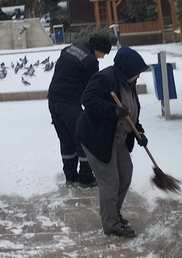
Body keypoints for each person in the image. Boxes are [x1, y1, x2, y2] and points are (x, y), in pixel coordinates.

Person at [75, 46, 149, 239]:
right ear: (127, 69)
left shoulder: (128, 83)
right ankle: (111, 224)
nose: (138, 76)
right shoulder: (105, 78)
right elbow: (87, 99)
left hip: (117, 137)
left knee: (125, 173)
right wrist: (113, 110)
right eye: (137, 72)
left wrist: (139, 131)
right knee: (110, 181)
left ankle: (113, 212)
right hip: (97, 138)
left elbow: (130, 112)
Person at [47, 35, 112, 188]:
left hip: (53, 100)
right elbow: (90, 89)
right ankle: (86, 178)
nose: (103, 57)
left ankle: (70, 176)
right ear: (98, 49)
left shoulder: (69, 49)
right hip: (69, 103)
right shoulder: (90, 62)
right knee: (83, 139)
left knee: (66, 140)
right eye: (103, 53)